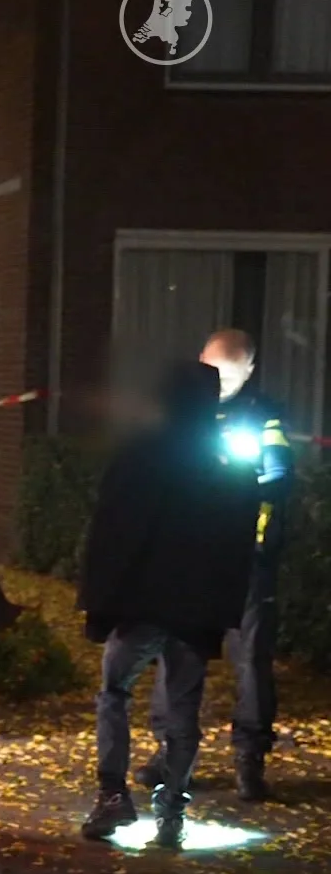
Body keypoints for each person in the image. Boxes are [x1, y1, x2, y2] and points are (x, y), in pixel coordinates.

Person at [80, 360, 259, 848]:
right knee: (184, 709)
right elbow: (239, 542)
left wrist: (103, 603)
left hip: (140, 607)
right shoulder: (223, 462)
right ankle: (172, 813)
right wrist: (222, 611)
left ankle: (113, 795)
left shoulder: (140, 453)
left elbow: (113, 532)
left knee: (115, 693)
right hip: (194, 615)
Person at [137, 330, 292, 801]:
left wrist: (234, 476)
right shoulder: (183, 412)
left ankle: (249, 758)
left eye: (229, 374)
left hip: (248, 557)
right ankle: (169, 751)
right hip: (193, 558)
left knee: (251, 660)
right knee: (178, 655)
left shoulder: (263, 414)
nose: (219, 383)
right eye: (212, 372)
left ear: (249, 370)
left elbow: (279, 475)